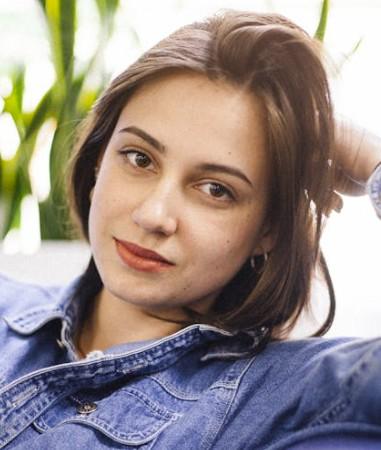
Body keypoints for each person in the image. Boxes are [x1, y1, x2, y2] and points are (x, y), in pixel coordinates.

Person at [0, 9, 380, 449]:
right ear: (99, 158)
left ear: (269, 229)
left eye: (216, 189)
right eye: (140, 158)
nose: (154, 216)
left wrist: (360, 150)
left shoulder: (294, 401)